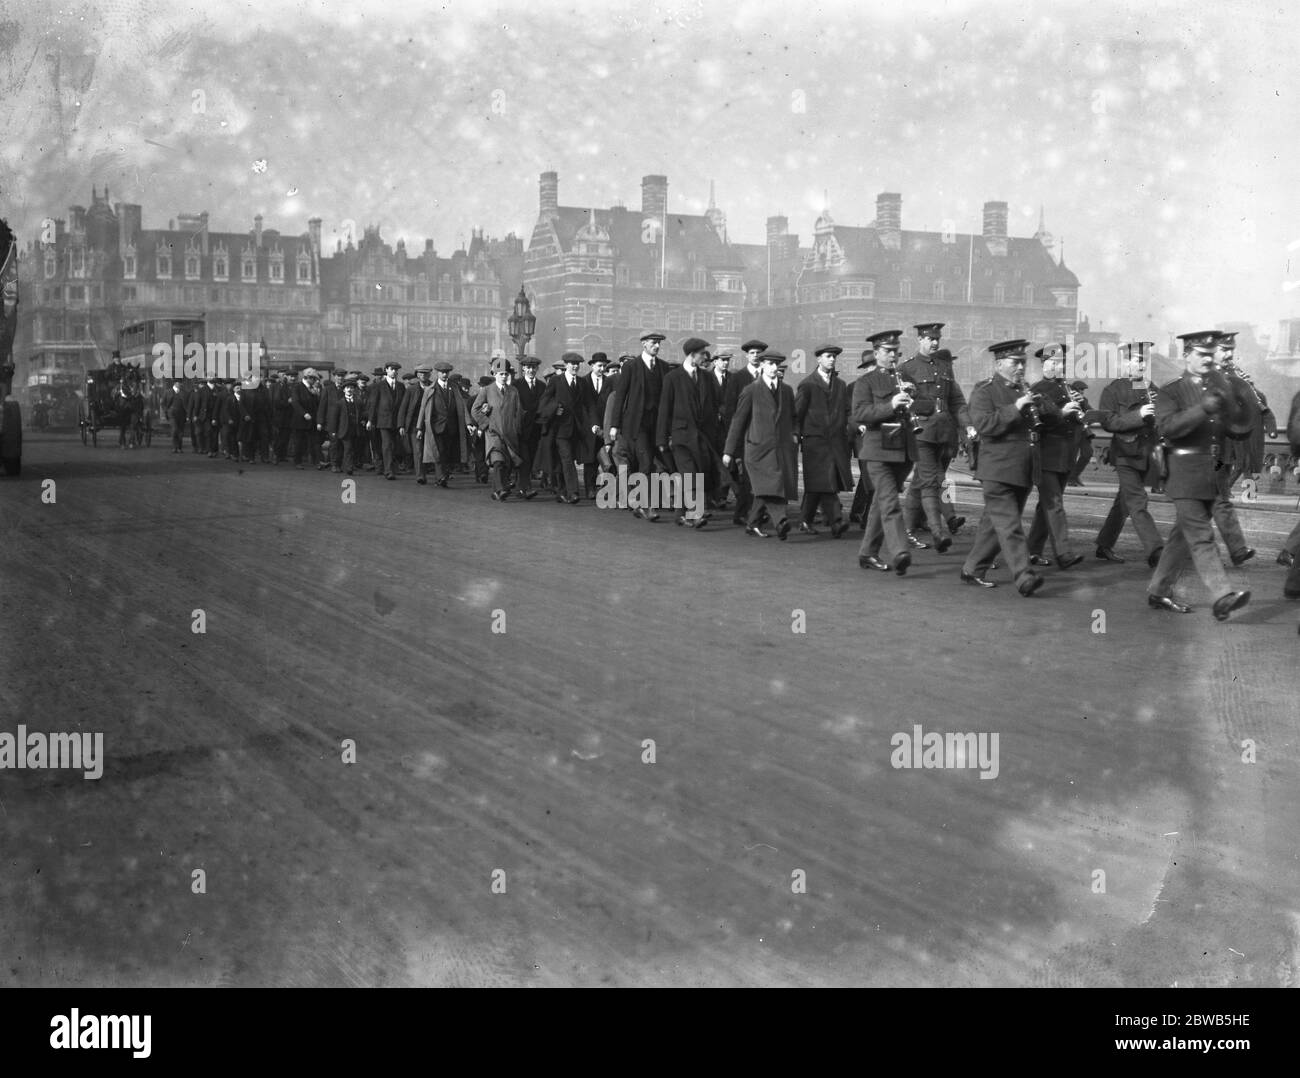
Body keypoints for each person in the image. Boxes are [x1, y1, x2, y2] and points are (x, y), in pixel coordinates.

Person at [1146, 331, 1253, 619]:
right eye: (1202, 354)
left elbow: (1233, 426)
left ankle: (1158, 591)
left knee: (1181, 537)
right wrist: (1202, 409)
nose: (1208, 359)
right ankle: (1222, 596)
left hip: (1211, 473)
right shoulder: (1171, 391)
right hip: (1183, 474)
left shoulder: (1218, 387)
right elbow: (1167, 428)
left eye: (1211, 354)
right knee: (1202, 537)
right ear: (1187, 355)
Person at [958, 339, 1049, 595]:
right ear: (999, 364)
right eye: (1015, 362)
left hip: (1022, 469)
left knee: (994, 525)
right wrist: (1016, 408)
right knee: (1010, 526)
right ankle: (1024, 575)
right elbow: (984, 425)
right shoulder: (984, 390)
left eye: (1023, 362)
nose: (1021, 367)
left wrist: (1042, 406)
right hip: (997, 470)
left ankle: (973, 568)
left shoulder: (1024, 390)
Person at [853, 330, 920, 575]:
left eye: (896, 350)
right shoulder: (865, 382)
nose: (893, 355)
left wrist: (914, 398)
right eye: (888, 351)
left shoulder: (906, 377)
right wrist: (891, 405)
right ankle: (900, 551)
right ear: (876, 353)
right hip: (878, 452)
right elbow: (860, 414)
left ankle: (867, 553)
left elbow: (926, 408)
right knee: (890, 502)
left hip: (903, 451)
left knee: (881, 504)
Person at [1095, 341, 1165, 566]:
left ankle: (1104, 544)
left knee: (1124, 501)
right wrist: (1139, 415)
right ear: (1124, 362)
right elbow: (1108, 422)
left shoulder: (1151, 388)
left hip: (1147, 453)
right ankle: (1156, 551)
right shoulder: (1113, 390)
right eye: (1136, 360)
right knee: (1137, 501)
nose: (1141, 364)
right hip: (1125, 453)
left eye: (1144, 360)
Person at [900, 325, 967, 549]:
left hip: (945, 433)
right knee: (931, 480)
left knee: (922, 481)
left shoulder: (945, 366)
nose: (935, 342)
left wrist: (965, 428)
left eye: (937, 338)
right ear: (919, 339)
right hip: (923, 434)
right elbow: (904, 405)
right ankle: (939, 531)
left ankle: (908, 529)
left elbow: (956, 400)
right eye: (930, 338)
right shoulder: (907, 368)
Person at [723, 350, 797, 539]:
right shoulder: (751, 390)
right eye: (770, 364)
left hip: (780, 449)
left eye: (776, 365)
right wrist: (728, 451)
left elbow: (793, 417)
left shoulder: (787, 390)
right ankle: (780, 520)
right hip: (757, 450)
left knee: (766, 487)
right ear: (762, 365)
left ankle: (752, 523)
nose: (773, 368)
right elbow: (738, 421)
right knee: (770, 485)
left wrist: (795, 435)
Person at [1025, 343, 1086, 569]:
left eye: (1060, 362)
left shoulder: (1067, 388)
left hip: (1065, 454)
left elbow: (1084, 415)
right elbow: (1041, 418)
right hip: (1047, 452)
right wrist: (1063, 412)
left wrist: (1080, 405)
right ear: (1043, 364)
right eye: (1051, 362)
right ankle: (1063, 553)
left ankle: (1032, 550)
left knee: (1046, 505)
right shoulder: (1038, 389)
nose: (1056, 366)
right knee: (1054, 503)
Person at [609, 331, 671, 521]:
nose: (657, 346)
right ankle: (646, 506)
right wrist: (614, 425)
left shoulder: (663, 367)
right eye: (653, 343)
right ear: (644, 344)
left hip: (657, 424)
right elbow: (621, 396)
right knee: (646, 463)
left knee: (653, 463)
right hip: (637, 424)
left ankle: (638, 503)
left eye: (659, 343)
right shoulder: (631, 366)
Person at [1209, 331, 1258, 567]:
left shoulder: (1232, 378)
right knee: (1219, 497)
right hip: (1205, 450)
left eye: (1231, 350)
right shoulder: (1204, 378)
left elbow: (1249, 411)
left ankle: (1175, 551)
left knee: (1208, 502)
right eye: (1224, 350)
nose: (1229, 355)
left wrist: (1248, 390)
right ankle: (1237, 549)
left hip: (1224, 448)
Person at [655, 337, 715, 527]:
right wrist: (661, 440)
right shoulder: (672, 378)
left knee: (693, 473)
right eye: (702, 353)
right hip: (679, 436)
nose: (705, 357)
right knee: (690, 473)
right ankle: (695, 514)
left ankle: (680, 514)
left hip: (700, 437)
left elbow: (711, 409)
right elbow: (664, 409)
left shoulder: (706, 377)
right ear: (692, 355)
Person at [794, 343, 852, 537]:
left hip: (835, 442)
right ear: (818, 359)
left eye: (834, 357)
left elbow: (845, 411)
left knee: (819, 483)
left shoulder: (840, 385)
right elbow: (798, 413)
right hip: (815, 442)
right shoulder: (808, 384)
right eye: (828, 356)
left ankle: (804, 520)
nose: (832, 359)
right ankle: (836, 520)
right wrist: (797, 435)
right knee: (824, 481)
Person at [472, 357, 531, 501]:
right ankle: (500, 489)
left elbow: (518, 411)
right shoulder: (487, 390)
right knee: (498, 461)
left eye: (506, 374)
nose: (504, 377)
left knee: (508, 463)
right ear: (494, 374)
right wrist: (487, 424)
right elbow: (475, 410)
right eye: (501, 374)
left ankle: (497, 491)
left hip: (511, 434)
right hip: (494, 433)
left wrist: (516, 427)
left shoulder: (513, 391)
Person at [721, 339, 766, 525]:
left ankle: (750, 512)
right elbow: (731, 410)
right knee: (747, 477)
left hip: (763, 436)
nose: (755, 356)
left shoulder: (768, 376)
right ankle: (743, 513)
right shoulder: (738, 378)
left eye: (758, 353)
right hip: (745, 436)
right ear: (747, 356)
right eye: (752, 353)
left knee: (757, 477)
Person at [540, 352, 594, 503]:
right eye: (572, 363)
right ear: (566, 365)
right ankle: (573, 492)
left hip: (578, 429)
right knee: (567, 458)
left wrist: (594, 424)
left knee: (564, 460)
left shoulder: (583, 383)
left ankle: (561, 490)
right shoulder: (556, 381)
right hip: (560, 429)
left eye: (577, 364)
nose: (575, 366)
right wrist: (554, 409)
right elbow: (544, 401)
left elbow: (590, 405)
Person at [583, 353, 615, 498]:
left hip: (605, 426)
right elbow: (582, 405)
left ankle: (607, 489)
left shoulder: (610, 382)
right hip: (589, 427)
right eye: (599, 366)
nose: (602, 369)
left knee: (607, 458)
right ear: (592, 366)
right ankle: (590, 489)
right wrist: (590, 424)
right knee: (589, 459)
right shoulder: (584, 382)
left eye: (604, 366)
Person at [365, 361, 405, 480]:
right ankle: (388, 471)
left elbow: (403, 405)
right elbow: (373, 404)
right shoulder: (378, 386)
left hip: (397, 421)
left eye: (396, 370)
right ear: (386, 370)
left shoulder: (400, 386)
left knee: (395, 446)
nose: (394, 371)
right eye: (392, 369)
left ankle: (392, 467)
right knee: (387, 445)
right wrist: (370, 420)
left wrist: (402, 422)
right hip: (383, 421)